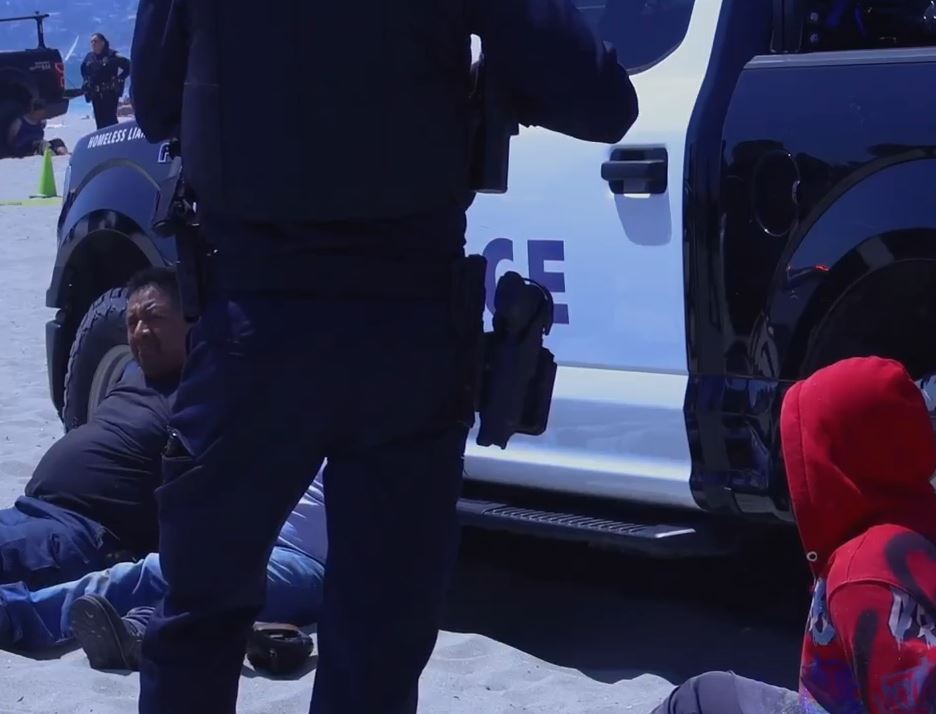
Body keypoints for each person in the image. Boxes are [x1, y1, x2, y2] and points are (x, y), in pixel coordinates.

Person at [129, 0, 638, 711]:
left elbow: (154, 105)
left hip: (253, 332)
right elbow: (602, 101)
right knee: (377, 637)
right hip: (405, 336)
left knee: (198, 619)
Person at [653, 358, 936, 714]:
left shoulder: (864, 575)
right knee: (711, 691)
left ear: (837, 459)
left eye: (804, 451)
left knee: (696, 702)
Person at [0, 468, 325, 667]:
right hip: (247, 532)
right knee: (182, 581)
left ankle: (17, 615)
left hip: (305, 559)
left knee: (164, 574)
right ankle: (138, 631)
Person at [0, 268, 185, 591]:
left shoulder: (203, 395)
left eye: (153, 317)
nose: (140, 331)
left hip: (80, 533)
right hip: (28, 511)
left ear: (191, 318)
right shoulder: (134, 371)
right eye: (131, 322)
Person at [81, 33, 131, 130]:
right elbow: (83, 70)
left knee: (111, 120)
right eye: (91, 42)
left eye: (95, 41)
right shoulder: (89, 57)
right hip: (95, 94)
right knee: (99, 122)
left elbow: (129, 66)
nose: (93, 44)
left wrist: (120, 78)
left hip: (110, 93)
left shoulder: (113, 55)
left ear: (102, 42)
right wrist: (86, 81)